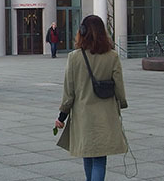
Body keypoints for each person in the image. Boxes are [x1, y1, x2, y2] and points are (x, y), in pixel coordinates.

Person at [54, 15, 128, 181]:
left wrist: (61, 116)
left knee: (87, 155)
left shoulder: (74, 57)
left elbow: (69, 92)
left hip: (83, 116)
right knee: (100, 159)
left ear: (82, 32)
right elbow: (119, 86)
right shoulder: (112, 56)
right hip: (105, 115)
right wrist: (121, 103)